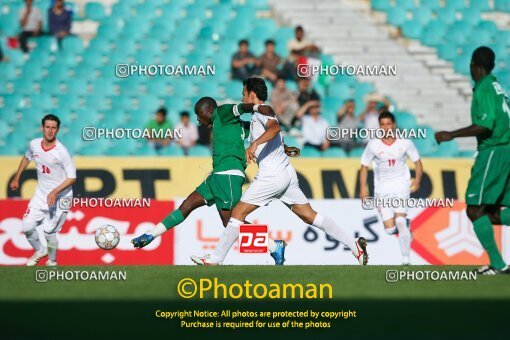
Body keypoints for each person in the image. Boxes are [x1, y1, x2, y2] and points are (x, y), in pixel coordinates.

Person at [191, 77, 368, 266]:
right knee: (310, 215)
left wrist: (255, 144)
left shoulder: (261, 112)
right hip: (285, 172)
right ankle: (354, 244)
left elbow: (275, 128)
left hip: (272, 175)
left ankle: (216, 259)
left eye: (244, 94)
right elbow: (273, 134)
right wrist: (284, 148)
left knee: (237, 214)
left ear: (252, 94)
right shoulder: (260, 115)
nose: (242, 98)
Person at [131, 97, 301, 265]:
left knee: (232, 221)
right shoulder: (240, 127)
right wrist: (284, 148)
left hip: (228, 175)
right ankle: (150, 234)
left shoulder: (221, 112)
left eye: (199, 115)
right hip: (216, 176)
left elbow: (242, 108)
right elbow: (263, 136)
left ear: (209, 111)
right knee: (187, 205)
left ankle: (273, 246)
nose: (198, 119)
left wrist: (257, 108)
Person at [435, 46, 510, 275]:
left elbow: (484, 125)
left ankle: (498, 264)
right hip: (504, 150)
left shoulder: (485, 89)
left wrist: (451, 135)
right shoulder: (497, 87)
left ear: (474, 65)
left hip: (494, 150)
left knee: (475, 209)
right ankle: (497, 264)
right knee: (490, 210)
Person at [9, 114, 76, 266]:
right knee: (27, 227)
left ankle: (52, 262)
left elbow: (72, 177)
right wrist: (17, 177)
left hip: (61, 198)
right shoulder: (34, 144)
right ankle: (40, 250)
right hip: (41, 195)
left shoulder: (61, 152)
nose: (50, 131)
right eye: (47, 127)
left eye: (53, 128)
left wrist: (54, 192)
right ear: (42, 128)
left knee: (48, 232)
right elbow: (27, 157)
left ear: (58, 130)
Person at [359, 112, 422, 265]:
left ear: (394, 125)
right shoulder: (373, 144)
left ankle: (406, 258)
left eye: (389, 124)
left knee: (400, 221)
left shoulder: (405, 142)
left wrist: (418, 180)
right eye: (383, 124)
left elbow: (418, 162)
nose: (386, 127)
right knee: (389, 229)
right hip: (381, 189)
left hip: (401, 185)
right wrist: (363, 189)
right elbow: (364, 167)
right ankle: (405, 228)